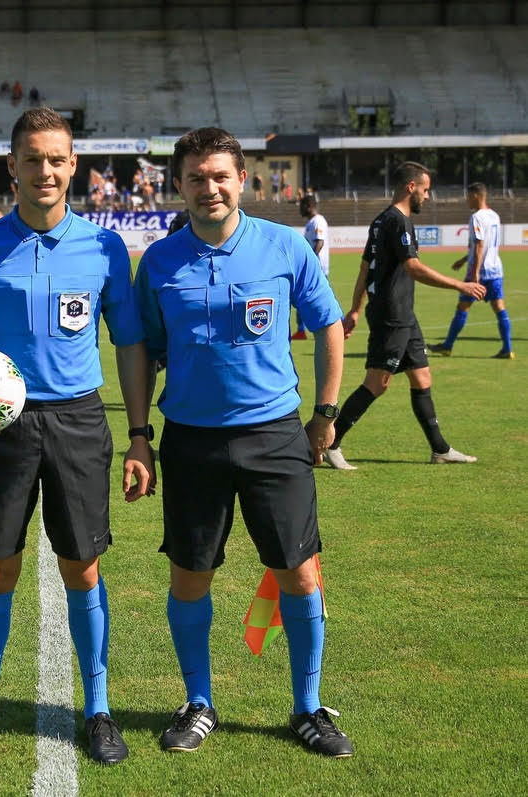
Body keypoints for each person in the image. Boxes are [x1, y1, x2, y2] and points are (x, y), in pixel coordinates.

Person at [0, 107, 154, 768]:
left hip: (81, 419)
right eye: (34, 159)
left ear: (74, 165)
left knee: (82, 565)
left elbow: (132, 343)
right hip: (4, 425)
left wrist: (140, 433)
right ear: (13, 167)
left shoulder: (106, 247)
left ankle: (99, 706)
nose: (46, 171)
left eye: (57, 159)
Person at [134, 126, 354, 758]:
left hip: (275, 434)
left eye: (221, 176)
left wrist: (326, 412)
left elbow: (328, 324)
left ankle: (309, 707)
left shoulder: (284, 246)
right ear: (179, 184)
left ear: (244, 181)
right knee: (190, 574)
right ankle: (198, 701)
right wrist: (142, 435)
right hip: (192, 441)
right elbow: (146, 353)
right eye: (197, 178)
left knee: (299, 575)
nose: (210, 188)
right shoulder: (158, 262)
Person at [323, 161, 486, 470]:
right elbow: (412, 267)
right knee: (377, 382)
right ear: (411, 187)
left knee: (422, 376)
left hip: (403, 315)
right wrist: (459, 284)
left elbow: (364, 268)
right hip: (391, 315)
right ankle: (331, 442)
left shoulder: (380, 221)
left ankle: (440, 449)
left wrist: (356, 308)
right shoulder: (399, 222)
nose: (427, 196)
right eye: (424, 190)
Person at [429, 182, 514, 359]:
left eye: (468, 196)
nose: (466, 200)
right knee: (499, 307)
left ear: (476, 195)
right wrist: (463, 259)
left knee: (463, 307)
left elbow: (479, 245)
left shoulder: (477, 217)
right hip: (496, 269)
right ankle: (508, 349)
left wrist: (474, 272)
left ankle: (447, 346)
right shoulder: (494, 216)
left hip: (480, 271)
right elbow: (485, 244)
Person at [292, 194, 330, 340]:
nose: (300, 210)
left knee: (317, 299)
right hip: (313, 268)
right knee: (302, 298)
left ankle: (336, 325)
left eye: (302, 206)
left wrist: (310, 262)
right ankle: (301, 330)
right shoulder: (311, 223)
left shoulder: (318, 221)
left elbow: (319, 243)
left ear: (308, 206)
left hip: (317, 269)